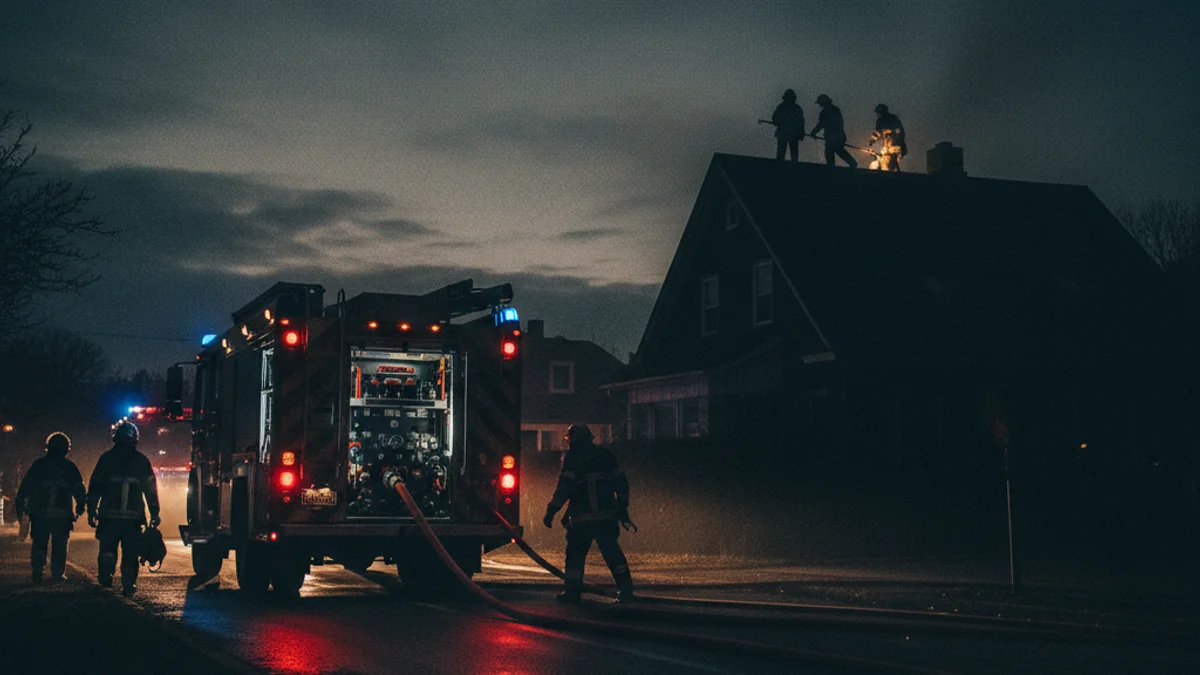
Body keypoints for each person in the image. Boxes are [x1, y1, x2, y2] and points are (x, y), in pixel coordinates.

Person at [543, 424, 636, 604]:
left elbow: (564, 489)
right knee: (613, 554)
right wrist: (622, 511)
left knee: (575, 557)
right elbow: (621, 483)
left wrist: (551, 512)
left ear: (573, 439)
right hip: (606, 518)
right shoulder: (605, 456)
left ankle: (572, 593)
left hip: (582, 520)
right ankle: (626, 591)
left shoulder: (573, 458)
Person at [87, 421, 160, 596]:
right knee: (130, 554)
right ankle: (128, 584)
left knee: (107, 550)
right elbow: (150, 490)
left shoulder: (106, 459)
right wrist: (154, 513)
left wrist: (91, 511)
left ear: (115, 438)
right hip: (133, 520)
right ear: (135, 439)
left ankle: (106, 575)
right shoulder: (142, 461)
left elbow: (95, 487)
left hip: (109, 517)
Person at [15, 433, 86, 584]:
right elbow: (79, 490)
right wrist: (81, 507)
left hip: (40, 515)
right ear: (66, 449)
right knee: (60, 545)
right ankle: (58, 573)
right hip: (62, 516)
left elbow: (25, 488)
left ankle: (37, 571)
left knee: (39, 543)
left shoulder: (38, 465)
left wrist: (21, 507)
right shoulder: (70, 468)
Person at [810, 94, 857, 168]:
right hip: (839, 135)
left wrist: (814, 132)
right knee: (837, 150)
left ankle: (833, 168)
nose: (819, 104)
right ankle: (849, 164)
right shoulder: (835, 109)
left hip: (832, 136)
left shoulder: (825, 112)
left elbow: (821, 124)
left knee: (831, 151)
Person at [771, 89, 806, 161]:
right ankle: (792, 167)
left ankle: (782, 166)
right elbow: (801, 122)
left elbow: (775, 118)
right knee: (791, 153)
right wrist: (801, 133)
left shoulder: (781, 107)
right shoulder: (797, 108)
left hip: (786, 133)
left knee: (784, 153)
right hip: (790, 133)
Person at [871, 103, 906, 171]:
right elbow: (877, 133)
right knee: (882, 162)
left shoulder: (893, 118)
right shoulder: (880, 121)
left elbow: (899, 131)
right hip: (884, 147)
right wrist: (873, 140)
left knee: (892, 163)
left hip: (894, 146)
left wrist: (889, 133)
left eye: (879, 113)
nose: (878, 115)